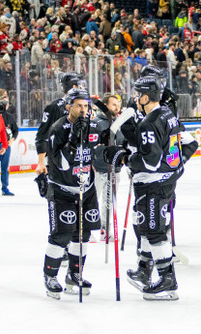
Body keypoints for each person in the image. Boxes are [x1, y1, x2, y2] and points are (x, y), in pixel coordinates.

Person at [114, 76, 197, 301]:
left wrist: (125, 158)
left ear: (145, 96)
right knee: (146, 227)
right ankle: (144, 270)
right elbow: (191, 144)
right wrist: (176, 165)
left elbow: (149, 161)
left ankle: (167, 280)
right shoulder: (168, 115)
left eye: (137, 93)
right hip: (165, 181)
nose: (134, 97)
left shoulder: (150, 122)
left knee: (154, 231)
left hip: (153, 184)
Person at [42, 88, 99, 299]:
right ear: (69, 107)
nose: (84, 110)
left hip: (87, 189)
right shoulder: (59, 128)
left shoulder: (93, 126)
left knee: (83, 235)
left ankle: (74, 274)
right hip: (62, 190)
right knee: (62, 234)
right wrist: (74, 140)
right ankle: (50, 276)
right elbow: (63, 164)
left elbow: (98, 152)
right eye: (79, 106)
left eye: (86, 106)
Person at [35, 72, 87, 176]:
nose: (83, 87)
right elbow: (42, 135)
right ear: (74, 86)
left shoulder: (85, 106)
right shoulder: (55, 107)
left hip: (78, 158)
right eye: (80, 84)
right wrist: (41, 162)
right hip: (58, 158)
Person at [91, 94, 123, 242]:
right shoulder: (96, 123)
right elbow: (90, 147)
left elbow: (124, 144)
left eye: (118, 105)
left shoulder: (119, 122)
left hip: (115, 169)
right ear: (104, 105)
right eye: (113, 105)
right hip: (98, 168)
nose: (116, 108)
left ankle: (105, 228)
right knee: (93, 199)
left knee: (109, 201)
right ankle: (89, 229)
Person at [0, 89, 16, 196]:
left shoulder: (9, 117)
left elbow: (14, 131)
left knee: (4, 167)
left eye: (5, 103)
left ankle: (5, 187)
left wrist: (9, 142)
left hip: (4, 144)